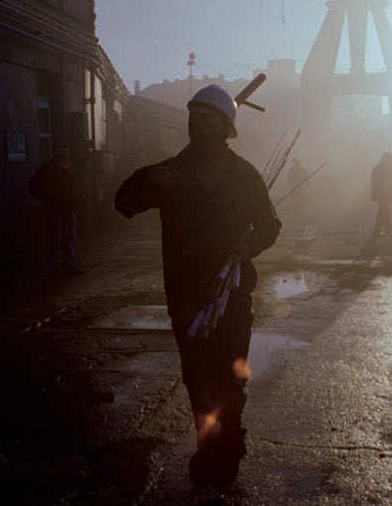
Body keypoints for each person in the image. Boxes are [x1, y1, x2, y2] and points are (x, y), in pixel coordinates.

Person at [113, 84, 281, 487]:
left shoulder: (244, 174)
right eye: (195, 119)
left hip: (232, 295)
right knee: (197, 375)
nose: (201, 127)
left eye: (210, 120)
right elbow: (123, 203)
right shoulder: (171, 172)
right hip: (185, 294)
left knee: (230, 372)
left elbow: (270, 224)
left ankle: (229, 439)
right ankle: (211, 446)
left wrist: (247, 246)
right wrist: (148, 175)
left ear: (225, 127)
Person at [28, 140, 82, 279]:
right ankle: (53, 267)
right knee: (55, 239)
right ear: (56, 151)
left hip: (69, 209)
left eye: (66, 149)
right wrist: (45, 199)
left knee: (69, 238)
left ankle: (69, 265)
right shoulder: (48, 168)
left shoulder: (70, 166)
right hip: (55, 209)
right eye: (62, 150)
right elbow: (33, 184)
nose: (64, 152)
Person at [370, 152, 392, 237]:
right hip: (385, 195)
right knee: (386, 213)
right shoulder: (387, 168)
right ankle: (386, 231)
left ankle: (379, 231)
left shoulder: (377, 168)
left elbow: (375, 183)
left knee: (382, 213)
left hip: (382, 195)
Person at [286, 157, 309, 224]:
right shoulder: (292, 171)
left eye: (297, 163)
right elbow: (289, 180)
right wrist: (292, 186)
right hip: (295, 189)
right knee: (296, 203)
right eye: (295, 163)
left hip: (301, 189)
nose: (296, 164)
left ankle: (301, 216)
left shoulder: (302, 170)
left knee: (301, 203)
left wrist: (305, 186)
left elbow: (308, 179)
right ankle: (297, 216)